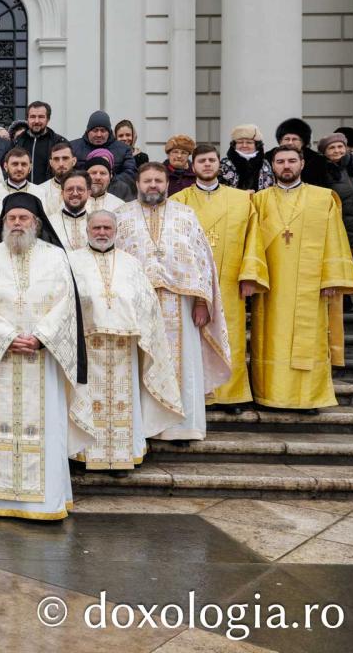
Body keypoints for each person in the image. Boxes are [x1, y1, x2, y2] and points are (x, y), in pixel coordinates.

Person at [0, 192, 93, 520]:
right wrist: (7, 337)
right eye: (12, 218)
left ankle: (46, 503)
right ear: (4, 223)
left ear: (36, 223)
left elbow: (65, 303)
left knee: (45, 428)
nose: (17, 223)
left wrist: (41, 337)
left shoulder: (56, 257)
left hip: (42, 359)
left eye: (24, 218)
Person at [115, 163, 232, 441]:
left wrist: (202, 303)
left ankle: (181, 427)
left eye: (158, 180)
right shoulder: (121, 216)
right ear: (137, 184)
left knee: (183, 364)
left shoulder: (185, 215)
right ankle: (144, 428)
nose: (153, 185)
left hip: (180, 304)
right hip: (136, 304)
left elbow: (203, 261)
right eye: (147, 181)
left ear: (167, 184)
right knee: (142, 362)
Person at [69, 211, 183, 474]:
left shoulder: (131, 263)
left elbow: (147, 303)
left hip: (124, 348)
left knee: (123, 404)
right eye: (96, 227)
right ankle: (83, 455)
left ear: (116, 231)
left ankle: (120, 458)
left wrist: (143, 332)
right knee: (87, 401)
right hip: (87, 347)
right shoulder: (72, 261)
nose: (102, 232)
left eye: (107, 228)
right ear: (87, 230)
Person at [250, 147, 353, 410]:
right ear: (273, 166)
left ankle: (308, 398)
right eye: (280, 161)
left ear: (302, 164)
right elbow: (251, 243)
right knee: (271, 340)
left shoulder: (323, 198)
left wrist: (331, 279)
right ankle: (269, 395)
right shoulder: (259, 201)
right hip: (272, 285)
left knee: (309, 340)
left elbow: (334, 238)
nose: (286, 166)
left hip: (311, 286)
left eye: (291, 161)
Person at [173, 144, 268, 411]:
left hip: (229, 281)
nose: (207, 165)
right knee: (194, 338)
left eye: (211, 160)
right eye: (201, 161)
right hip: (191, 285)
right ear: (193, 166)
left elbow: (253, 238)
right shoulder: (179, 201)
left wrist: (249, 275)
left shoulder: (241, 200)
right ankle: (198, 393)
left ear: (219, 165)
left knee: (231, 336)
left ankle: (231, 395)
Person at [319, 132, 353, 307]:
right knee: (343, 263)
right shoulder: (321, 171)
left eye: (340, 146)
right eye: (331, 148)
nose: (337, 150)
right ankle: (342, 304)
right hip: (340, 227)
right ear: (324, 152)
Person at [70, 110, 137, 186]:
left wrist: (108, 181)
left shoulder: (124, 150)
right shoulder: (73, 148)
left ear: (109, 132)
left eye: (103, 130)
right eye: (95, 130)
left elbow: (130, 173)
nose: (99, 134)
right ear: (88, 131)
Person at [12, 100, 68, 183]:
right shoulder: (17, 142)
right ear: (27, 119)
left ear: (48, 119)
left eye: (41, 117)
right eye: (33, 117)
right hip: (23, 189)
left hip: (49, 190)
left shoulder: (59, 142)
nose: (36, 121)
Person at [272, 117, 331, 187]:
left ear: (303, 142)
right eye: (287, 139)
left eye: (294, 139)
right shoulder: (269, 157)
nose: (290, 142)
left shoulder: (317, 160)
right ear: (280, 141)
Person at [48, 171, 98, 251]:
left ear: (89, 193)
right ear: (62, 193)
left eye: (80, 189)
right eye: (69, 189)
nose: (75, 193)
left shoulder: (97, 223)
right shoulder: (50, 223)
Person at [220, 124, 274, 192]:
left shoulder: (265, 164)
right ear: (234, 145)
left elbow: (270, 188)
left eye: (249, 142)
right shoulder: (224, 164)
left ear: (257, 145)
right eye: (240, 142)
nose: (244, 145)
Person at [37, 142, 77, 215]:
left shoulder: (84, 189)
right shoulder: (39, 190)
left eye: (65, 158)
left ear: (74, 161)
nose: (61, 164)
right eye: (56, 159)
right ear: (51, 163)